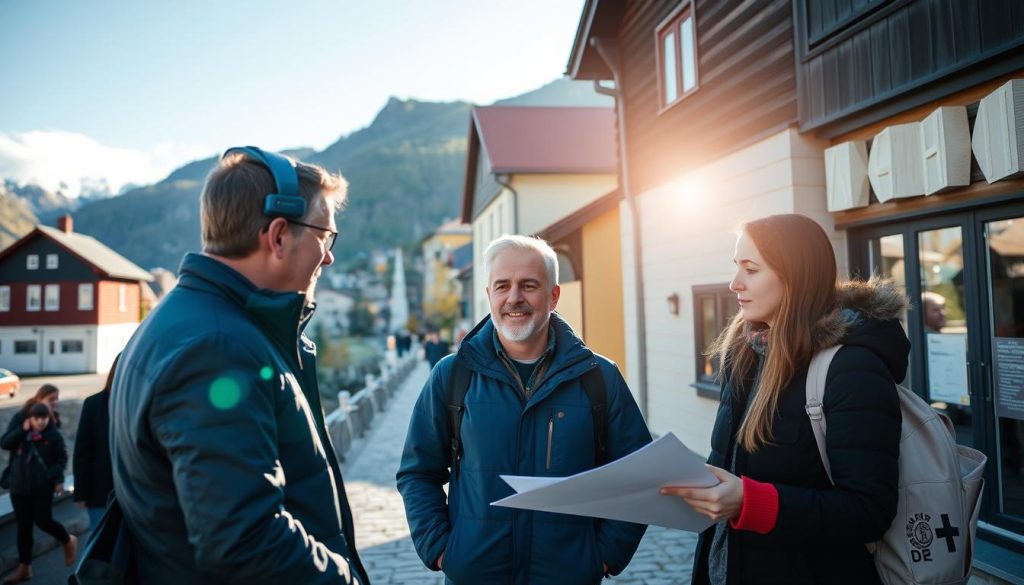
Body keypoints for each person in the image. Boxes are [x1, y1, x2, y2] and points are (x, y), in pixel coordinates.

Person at [110, 147, 368, 584]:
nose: (328, 258)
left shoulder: (185, 320)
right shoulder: (216, 349)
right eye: (326, 237)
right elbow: (245, 539)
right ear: (279, 235)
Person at [661, 214, 907, 584]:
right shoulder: (743, 353)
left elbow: (869, 511)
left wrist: (749, 501)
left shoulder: (852, 368)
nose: (734, 283)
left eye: (751, 269)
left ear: (796, 276)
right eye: (736, 267)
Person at [397, 235, 651, 584]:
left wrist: (603, 557)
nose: (514, 298)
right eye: (503, 286)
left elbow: (639, 477)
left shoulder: (600, 379)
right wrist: (441, 550)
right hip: (475, 575)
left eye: (529, 285)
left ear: (553, 295)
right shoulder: (452, 376)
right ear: (489, 295)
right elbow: (417, 472)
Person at [1, 402, 76, 582]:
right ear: (30, 419)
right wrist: (22, 430)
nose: (41, 422)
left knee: (44, 521)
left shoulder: (53, 436)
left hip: (42, 489)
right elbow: (5, 443)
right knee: (24, 528)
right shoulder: (22, 433)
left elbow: (61, 460)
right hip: (19, 488)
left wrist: (53, 479)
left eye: (44, 418)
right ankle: (24, 567)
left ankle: (67, 539)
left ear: (48, 418)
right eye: (37, 419)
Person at [73, 353, 120, 529]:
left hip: (135, 493)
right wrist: (81, 492)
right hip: (100, 491)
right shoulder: (93, 404)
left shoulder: (141, 403)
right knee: (101, 544)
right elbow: (82, 451)